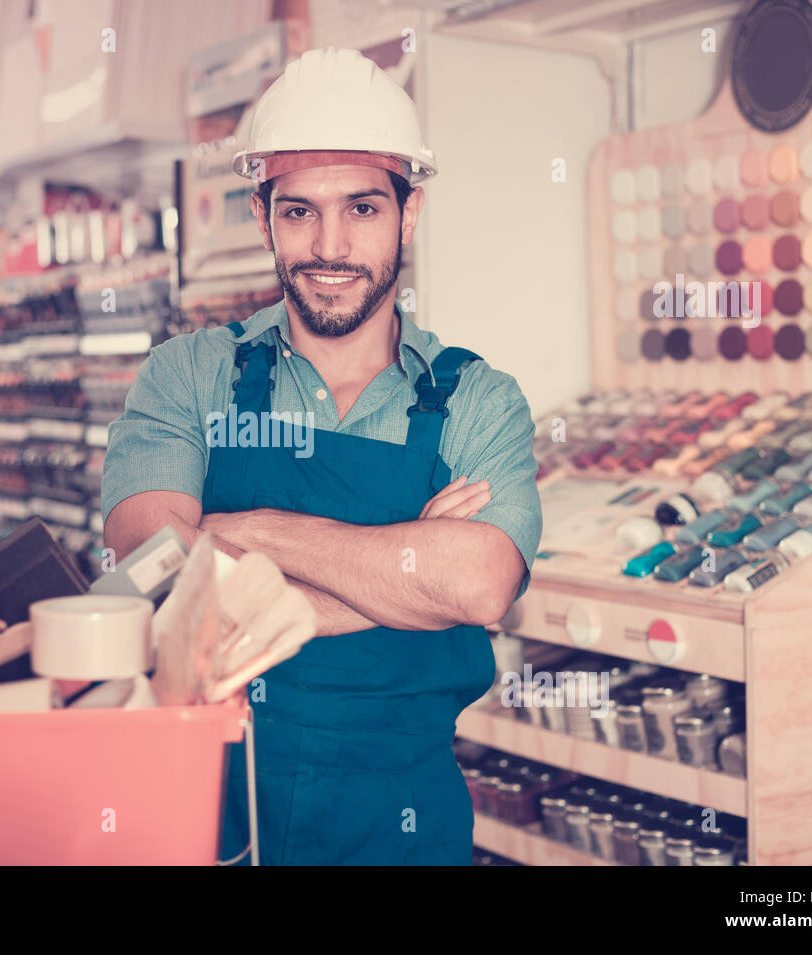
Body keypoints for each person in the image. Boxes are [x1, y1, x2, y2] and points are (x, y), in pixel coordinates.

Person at [102, 47, 542, 865]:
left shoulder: (479, 401)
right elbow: (156, 574)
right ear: (263, 216)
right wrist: (409, 571)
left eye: (363, 208)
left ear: (409, 213)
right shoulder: (188, 374)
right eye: (299, 210)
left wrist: (245, 532)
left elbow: (480, 584)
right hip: (209, 812)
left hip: (402, 826)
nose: (329, 246)